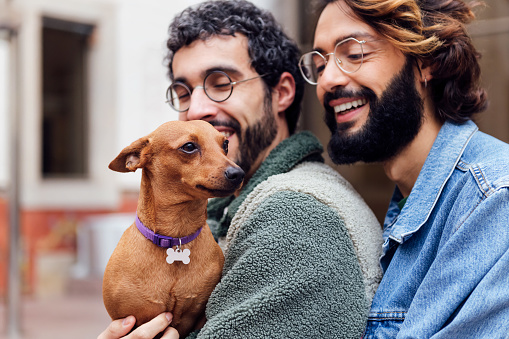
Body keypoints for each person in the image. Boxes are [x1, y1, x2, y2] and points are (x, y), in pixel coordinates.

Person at [98, 1, 383, 338]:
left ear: (282, 93)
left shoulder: (297, 216)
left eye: (221, 83)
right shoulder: (225, 206)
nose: (197, 110)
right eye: (183, 92)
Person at [302, 0, 509, 337]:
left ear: (425, 61)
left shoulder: (494, 200)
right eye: (320, 63)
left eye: (353, 53)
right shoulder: (407, 203)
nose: (328, 80)